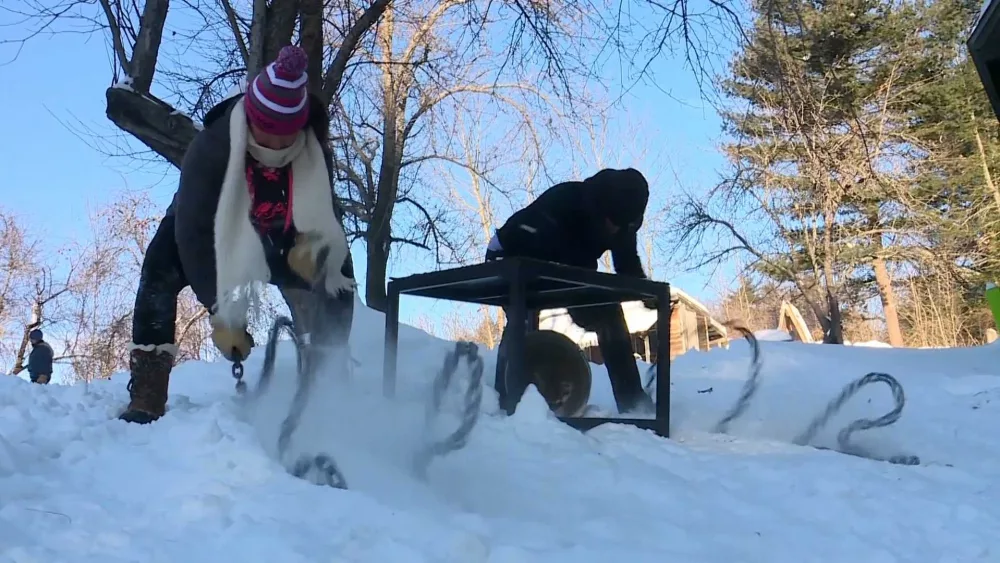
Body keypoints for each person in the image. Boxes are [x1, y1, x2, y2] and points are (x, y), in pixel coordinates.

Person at [120, 45, 356, 425]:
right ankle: (148, 390)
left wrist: (311, 253)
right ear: (250, 118)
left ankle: (327, 381)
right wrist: (221, 309)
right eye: (266, 133)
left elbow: (326, 219)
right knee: (159, 266)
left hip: (279, 236)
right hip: (211, 232)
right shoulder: (211, 147)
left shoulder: (315, 153)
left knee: (338, 273)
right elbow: (193, 234)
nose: (275, 147)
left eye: (286, 137)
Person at [486, 168, 655, 415]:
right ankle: (505, 402)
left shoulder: (623, 225)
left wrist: (648, 294)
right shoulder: (566, 201)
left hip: (568, 268)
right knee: (523, 314)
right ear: (603, 208)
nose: (614, 231)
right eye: (612, 223)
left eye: (622, 227)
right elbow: (535, 245)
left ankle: (633, 403)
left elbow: (627, 267)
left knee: (607, 312)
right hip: (513, 252)